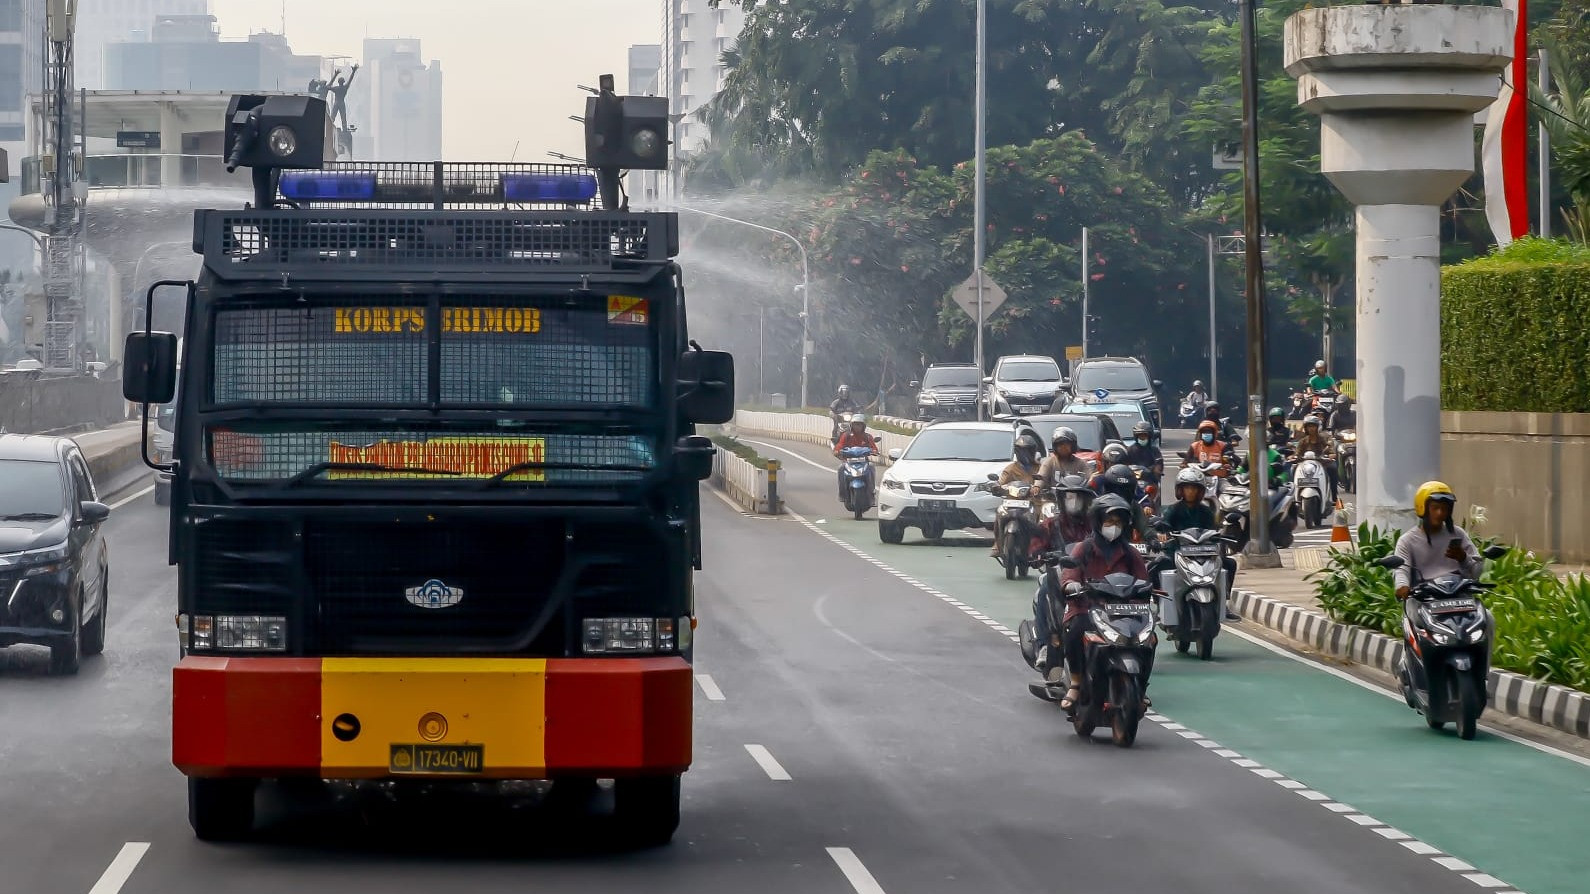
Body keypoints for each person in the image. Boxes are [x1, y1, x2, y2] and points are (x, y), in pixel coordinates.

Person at [1056, 494, 1153, 712]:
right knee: (1074, 632)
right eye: (1109, 521)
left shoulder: (1130, 552)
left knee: (1150, 640)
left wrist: (1146, 590)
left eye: (1118, 521)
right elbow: (1070, 573)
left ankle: (1141, 688)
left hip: (1123, 612)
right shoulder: (1085, 548)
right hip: (1086, 608)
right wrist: (1071, 584)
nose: (1113, 526)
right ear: (1098, 521)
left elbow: (1144, 580)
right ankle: (1076, 682)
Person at [1029, 475, 1095, 675]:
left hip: (1089, 574)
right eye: (1069, 497)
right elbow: (1035, 547)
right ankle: (1044, 645)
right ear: (1061, 499)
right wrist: (1039, 554)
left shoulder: (1094, 524)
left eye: (1078, 497)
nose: (1073, 502)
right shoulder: (1051, 524)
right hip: (1057, 573)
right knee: (1043, 592)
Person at [1157, 468, 1242, 621]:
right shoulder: (1173, 510)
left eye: (1194, 488)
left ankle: (1224, 602)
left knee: (1229, 563)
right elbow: (1164, 525)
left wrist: (1219, 535)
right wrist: (1163, 533)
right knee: (1158, 564)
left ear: (1200, 491)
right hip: (1178, 552)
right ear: (1180, 490)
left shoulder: (1206, 511)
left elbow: (1214, 530)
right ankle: (1160, 605)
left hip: (1204, 553)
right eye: (1187, 488)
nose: (1190, 491)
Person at [1392, 481, 1481, 599]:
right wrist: (1402, 586)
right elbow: (1402, 569)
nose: (1440, 513)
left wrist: (1463, 558)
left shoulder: (1458, 534)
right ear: (1422, 508)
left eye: (1444, 509)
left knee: (1487, 616)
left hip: (1459, 598)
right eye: (1435, 508)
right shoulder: (1407, 541)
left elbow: (1477, 571)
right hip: (1424, 600)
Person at [990, 432, 1044, 557]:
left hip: (1034, 503)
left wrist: (1041, 489)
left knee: (1045, 521)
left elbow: (1045, 480)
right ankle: (997, 544)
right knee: (999, 514)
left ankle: (1042, 545)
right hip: (1011, 503)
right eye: (1022, 451)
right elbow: (1001, 483)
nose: (1025, 454)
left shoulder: (1040, 468)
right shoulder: (1010, 469)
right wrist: (996, 487)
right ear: (1017, 452)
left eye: (1028, 451)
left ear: (1033, 451)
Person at [1291, 414, 1338, 503]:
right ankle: (1293, 496)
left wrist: (1331, 454)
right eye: (1309, 426)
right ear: (1306, 428)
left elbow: (1330, 449)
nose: (1311, 428)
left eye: (1313, 426)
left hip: (1321, 463)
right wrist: (1294, 456)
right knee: (1293, 469)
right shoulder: (1303, 441)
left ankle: (1334, 497)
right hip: (1305, 465)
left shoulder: (1324, 438)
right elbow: (1297, 453)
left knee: (1333, 468)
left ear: (1317, 427)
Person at [832, 414, 878, 499]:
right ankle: (842, 493)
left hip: (863, 461)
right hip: (849, 461)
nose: (857, 427)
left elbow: (873, 447)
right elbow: (840, 445)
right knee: (841, 468)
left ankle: (872, 490)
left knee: (871, 467)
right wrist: (836, 450)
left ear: (863, 426)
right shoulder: (846, 435)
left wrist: (874, 451)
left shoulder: (867, 437)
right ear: (851, 425)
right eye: (855, 424)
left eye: (859, 425)